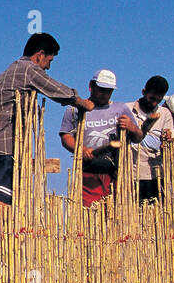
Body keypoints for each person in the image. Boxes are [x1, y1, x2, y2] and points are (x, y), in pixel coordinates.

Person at [0, 33, 92, 206]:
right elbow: (53, 88)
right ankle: (2, 233)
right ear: (40, 55)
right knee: (3, 203)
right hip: (5, 146)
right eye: (49, 61)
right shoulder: (27, 69)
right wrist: (81, 102)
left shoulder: (8, 71)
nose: (48, 67)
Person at [58, 69, 141, 206]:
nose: (105, 94)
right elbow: (66, 136)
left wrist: (132, 127)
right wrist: (80, 149)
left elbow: (138, 137)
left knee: (116, 215)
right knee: (89, 215)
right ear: (91, 86)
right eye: (101, 90)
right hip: (87, 173)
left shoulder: (121, 109)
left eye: (109, 91)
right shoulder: (75, 110)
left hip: (116, 174)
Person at [125, 76, 174, 202]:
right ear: (143, 92)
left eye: (158, 100)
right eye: (152, 98)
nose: (154, 103)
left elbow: (170, 144)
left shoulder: (165, 114)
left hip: (156, 177)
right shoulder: (126, 109)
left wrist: (168, 143)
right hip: (131, 175)